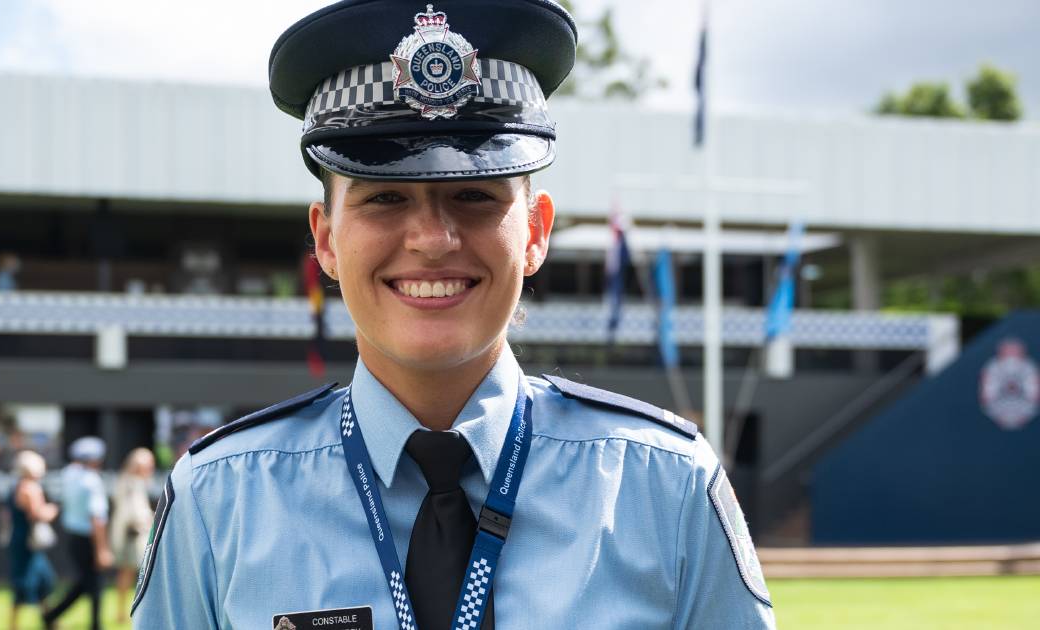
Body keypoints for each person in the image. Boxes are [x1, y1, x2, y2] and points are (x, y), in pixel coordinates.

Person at [132, 1, 775, 628]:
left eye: (473, 194)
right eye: (384, 197)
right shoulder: (222, 501)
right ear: (326, 239)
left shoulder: (663, 487)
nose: (432, 238)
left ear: (535, 232)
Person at [44, 436, 113, 630]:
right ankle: (94, 624)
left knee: (86, 583)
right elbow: (97, 519)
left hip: (74, 538)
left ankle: (52, 615)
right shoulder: (92, 481)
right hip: (89, 539)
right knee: (94, 584)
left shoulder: (68, 474)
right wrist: (102, 550)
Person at [5, 450, 58, 630]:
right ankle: (13, 625)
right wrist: (52, 510)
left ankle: (50, 620)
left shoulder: (17, 486)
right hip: (26, 543)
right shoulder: (29, 488)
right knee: (25, 583)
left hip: (24, 542)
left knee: (43, 581)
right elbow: (38, 514)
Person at [109, 447, 156, 624]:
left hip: (134, 535)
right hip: (132, 536)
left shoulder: (130, 481)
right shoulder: (130, 482)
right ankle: (124, 612)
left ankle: (124, 612)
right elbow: (132, 512)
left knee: (129, 574)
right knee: (131, 573)